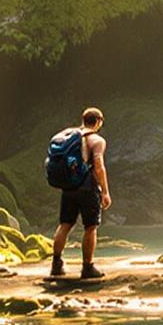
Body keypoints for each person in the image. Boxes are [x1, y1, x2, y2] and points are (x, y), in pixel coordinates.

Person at [47, 106, 109, 279]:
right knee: (90, 227)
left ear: (83, 120)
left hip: (68, 187)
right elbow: (98, 166)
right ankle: (87, 267)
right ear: (97, 121)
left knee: (65, 224)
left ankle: (56, 265)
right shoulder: (96, 140)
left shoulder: (68, 136)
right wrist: (105, 192)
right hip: (87, 187)